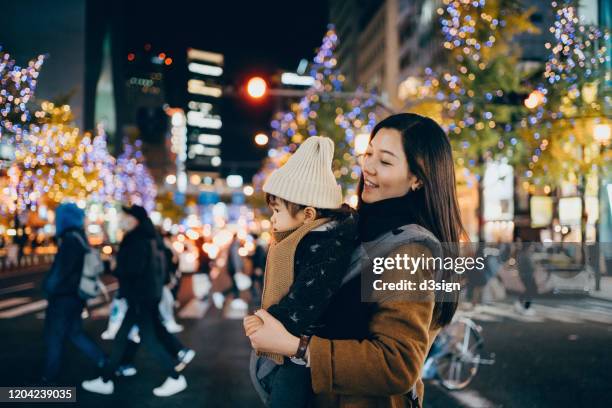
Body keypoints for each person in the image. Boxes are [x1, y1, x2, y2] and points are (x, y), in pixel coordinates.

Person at [245, 113, 466, 407]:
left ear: (416, 179)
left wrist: (293, 347)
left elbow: (397, 364)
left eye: (385, 161)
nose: (368, 168)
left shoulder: (411, 249)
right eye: (369, 153)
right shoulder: (357, 227)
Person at [244, 136, 358, 407]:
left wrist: (269, 320)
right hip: (302, 345)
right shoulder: (310, 238)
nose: (273, 218)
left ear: (308, 215)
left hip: (308, 352)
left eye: (277, 210)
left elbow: (308, 296)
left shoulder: (327, 245)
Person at [82, 205, 189, 397]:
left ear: (135, 219)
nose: (123, 219)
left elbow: (133, 269)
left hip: (140, 296)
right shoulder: (150, 237)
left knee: (148, 339)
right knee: (122, 338)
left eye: (126, 216)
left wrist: (115, 266)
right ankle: (105, 379)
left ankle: (174, 377)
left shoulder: (136, 239)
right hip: (144, 296)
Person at [41, 203, 106, 384]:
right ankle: (103, 360)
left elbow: (61, 272)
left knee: (54, 337)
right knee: (75, 333)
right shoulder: (80, 238)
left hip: (63, 298)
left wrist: (48, 287)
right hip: (75, 296)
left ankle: (49, 378)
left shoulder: (70, 240)